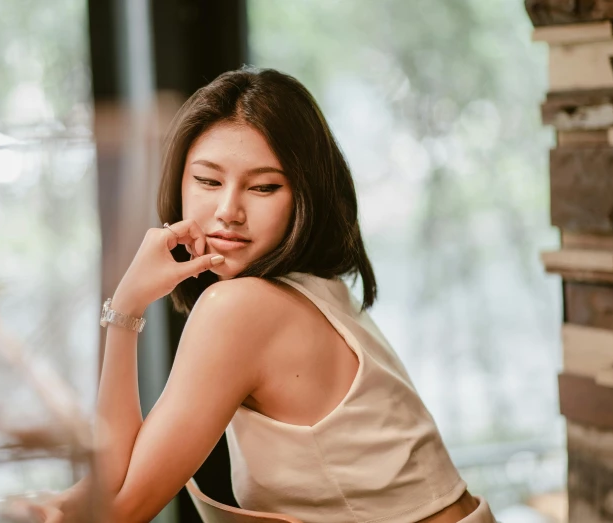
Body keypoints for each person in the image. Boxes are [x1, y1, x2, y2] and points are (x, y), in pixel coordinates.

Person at [30, 67, 497, 523]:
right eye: (208, 181)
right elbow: (114, 479)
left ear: (304, 197)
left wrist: (126, 304)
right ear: (179, 182)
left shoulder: (241, 308)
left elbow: (123, 511)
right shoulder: (317, 291)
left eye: (263, 187)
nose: (228, 211)